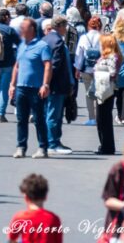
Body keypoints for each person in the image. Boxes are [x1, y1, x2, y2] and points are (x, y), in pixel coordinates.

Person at [9, 18, 52, 159]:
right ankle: (21, 147)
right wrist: (12, 85)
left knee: (39, 119)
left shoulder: (42, 46)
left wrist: (45, 84)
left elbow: (47, 66)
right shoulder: (21, 45)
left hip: (36, 88)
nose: (21, 29)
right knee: (21, 119)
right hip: (21, 87)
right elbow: (17, 66)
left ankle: (42, 147)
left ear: (32, 29)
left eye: (24, 27)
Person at [41, 16, 74, 155]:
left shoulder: (45, 40)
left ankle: (52, 140)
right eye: (64, 26)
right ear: (59, 26)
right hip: (56, 84)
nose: (66, 30)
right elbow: (54, 65)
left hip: (48, 83)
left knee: (49, 113)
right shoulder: (58, 42)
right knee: (54, 114)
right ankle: (52, 143)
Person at [6, 174, 64, 243]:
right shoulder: (54, 218)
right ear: (45, 197)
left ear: (26, 198)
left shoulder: (20, 217)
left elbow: (12, 240)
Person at [0, 9, 20, 123]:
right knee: (4, 89)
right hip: (7, 62)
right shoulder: (9, 30)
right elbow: (19, 43)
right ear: (6, 17)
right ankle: (1, 114)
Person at [75, 16, 103, 127]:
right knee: (100, 93)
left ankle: (92, 118)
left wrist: (77, 69)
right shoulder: (102, 37)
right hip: (99, 69)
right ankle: (100, 116)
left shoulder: (83, 38)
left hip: (86, 69)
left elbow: (79, 55)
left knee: (88, 94)